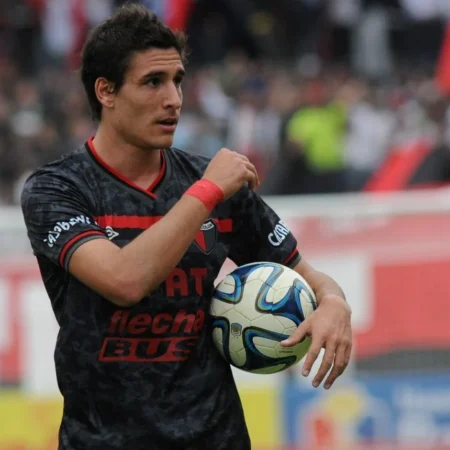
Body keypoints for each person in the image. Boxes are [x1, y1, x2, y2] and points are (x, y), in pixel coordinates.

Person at [20, 4, 352, 450]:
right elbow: (124, 280)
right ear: (106, 91)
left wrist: (334, 302)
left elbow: (309, 275)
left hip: (216, 437)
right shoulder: (57, 189)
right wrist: (206, 193)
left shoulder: (213, 183)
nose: (173, 99)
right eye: (152, 82)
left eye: (177, 80)